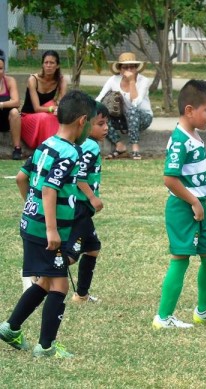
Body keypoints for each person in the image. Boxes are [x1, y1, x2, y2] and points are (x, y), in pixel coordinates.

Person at [0, 90, 96, 358]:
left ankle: (10, 328)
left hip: (32, 224)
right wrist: (51, 227)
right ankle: (46, 347)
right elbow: (51, 189)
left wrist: (32, 210)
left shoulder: (46, 145)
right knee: (60, 286)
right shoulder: (70, 153)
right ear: (82, 121)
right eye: (91, 123)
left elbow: (22, 177)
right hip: (48, 231)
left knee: (44, 282)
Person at [152, 79, 206, 330]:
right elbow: (170, 178)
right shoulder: (179, 140)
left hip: (197, 205)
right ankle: (163, 318)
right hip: (182, 208)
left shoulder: (195, 135)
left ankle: (205, 310)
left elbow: (192, 177)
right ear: (190, 110)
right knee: (181, 258)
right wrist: (194, 202)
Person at [66, 102, 109, 303]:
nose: (106, 128)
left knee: (93, 248)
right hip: (80, 208)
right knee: (71, 255)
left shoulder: (83, 144)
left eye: (106, 123)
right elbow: (80, 177)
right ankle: (37, 277)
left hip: (81, 208)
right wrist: (93, 197)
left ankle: (81, 295)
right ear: (85, 124)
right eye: (100, 123)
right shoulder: (90, 146)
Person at [97, 52, 153, 160]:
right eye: (125, 67)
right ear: (120, 69)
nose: (129, 70)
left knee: (132, 110)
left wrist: (132, 81)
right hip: (122, 119)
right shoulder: (114, 79)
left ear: (136, 68)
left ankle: (135, 148)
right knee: (100, 115)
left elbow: (136, 102)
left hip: (142, 118)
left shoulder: (144, 81)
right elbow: (100, 97)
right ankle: (119, 145)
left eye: (132, 67)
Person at [20, 50, 68, 150]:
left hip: (46, 114)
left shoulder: (61, 80)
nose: (48, 66)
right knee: (46, 116)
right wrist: (52, 109)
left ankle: (60, 148)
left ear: (57, 65)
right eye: (46, 63)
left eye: (52, 63)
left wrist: (57, 107)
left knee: (57, 114)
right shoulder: (33, 79)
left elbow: (62, 103)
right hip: (29, 117)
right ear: (42, 65)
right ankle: (47, 149)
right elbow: (37, 108)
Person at [0, 49, 23, 160]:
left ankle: (17, 149)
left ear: (4, 69)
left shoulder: (9, 81)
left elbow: (16, 102)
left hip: (6, 121)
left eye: (0, 69)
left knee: (14, 112)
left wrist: (1, 104)